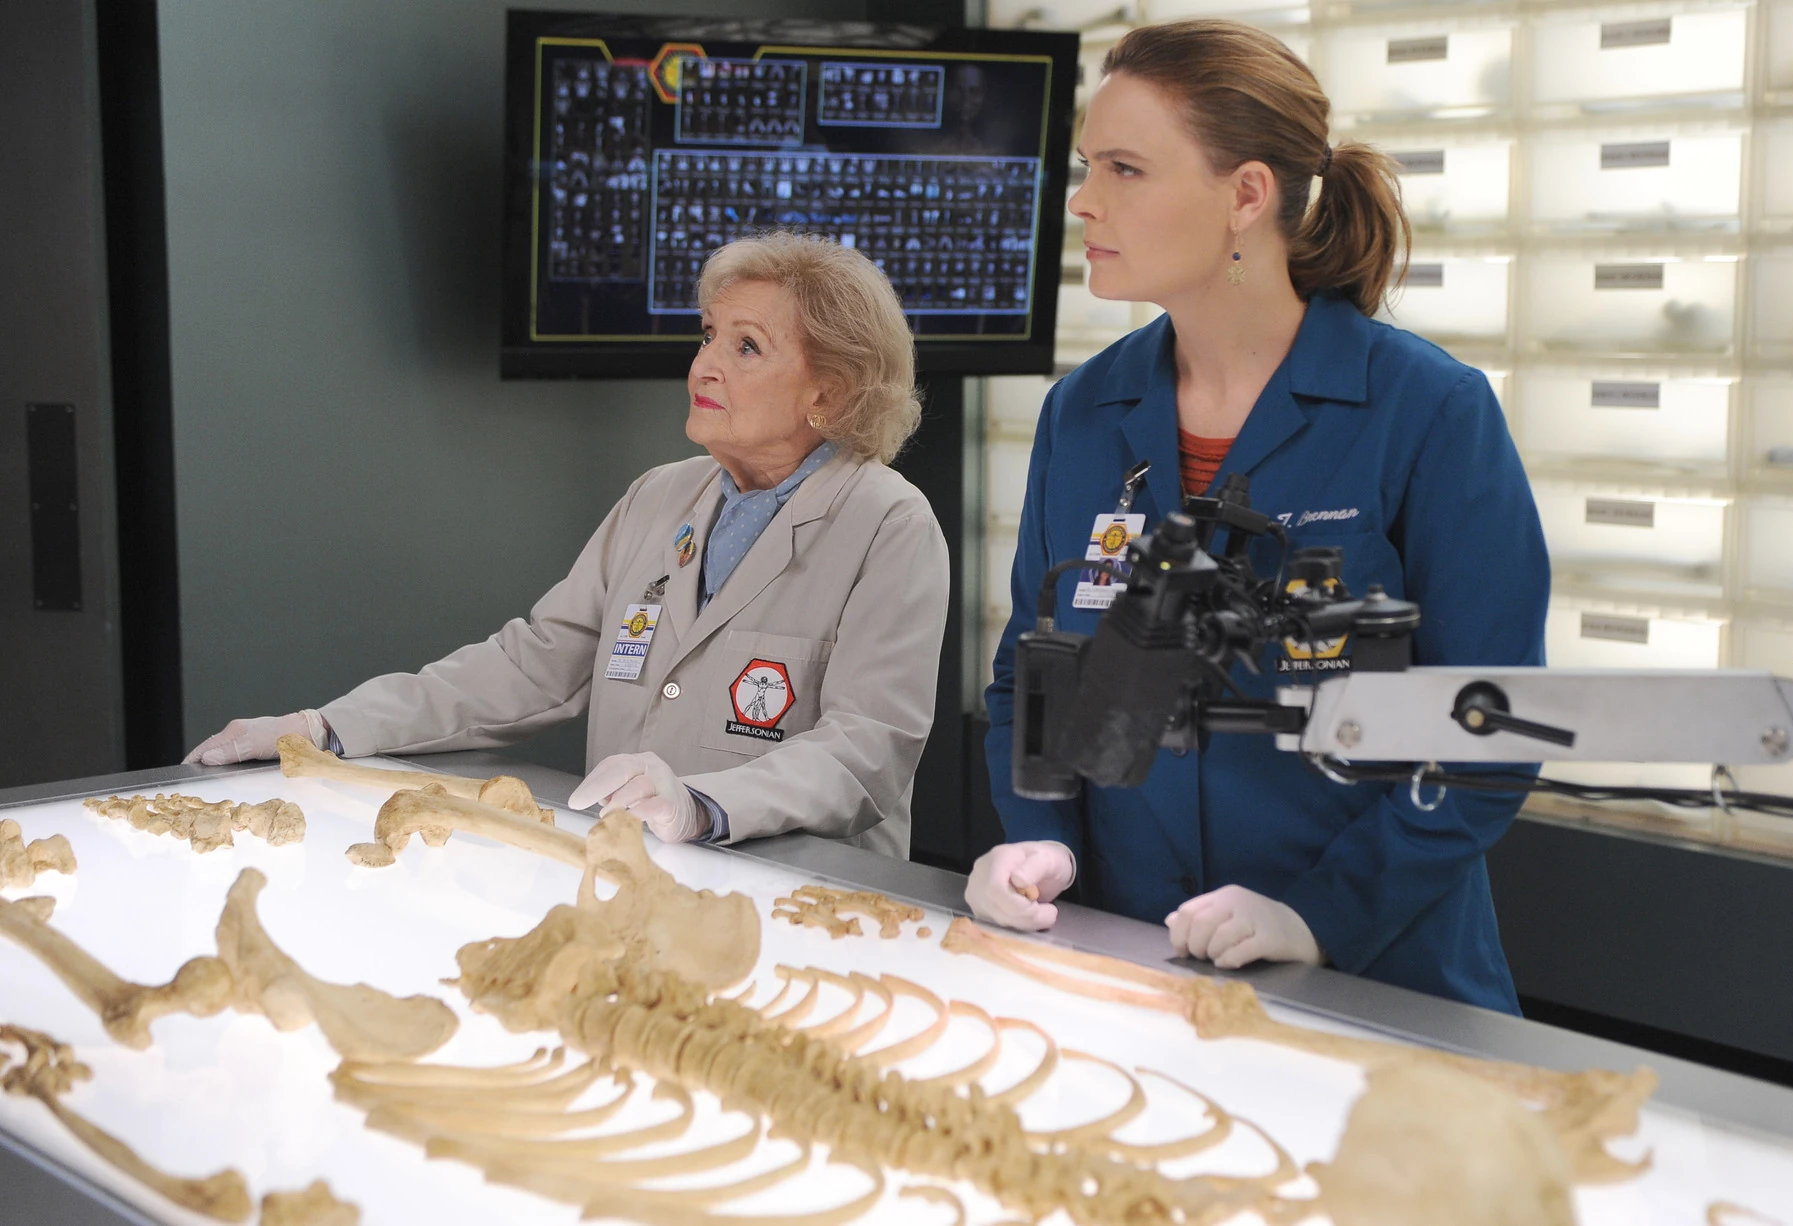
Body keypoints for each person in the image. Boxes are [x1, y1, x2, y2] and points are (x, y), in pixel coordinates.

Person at [969, 20, 1548, 1012]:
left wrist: (1321, 914)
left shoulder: (1428, 411)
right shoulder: (1084, 412)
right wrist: (1041, 841)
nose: (1085, 200)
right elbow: (1034, 675)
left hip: (1380, 982)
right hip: (1130, 968)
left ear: (1246, 194)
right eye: (1086, 167)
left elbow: (1492, 722)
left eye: (1125, 169)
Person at [186, 233, 950, 858]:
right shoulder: (659, 496)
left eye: (746, 347)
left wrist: (702, 803)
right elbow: (532, 666)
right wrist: (324, 728)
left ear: (829, 391)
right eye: (708, 334)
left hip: (802, 904)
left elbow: (866, 750)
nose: (704, 364)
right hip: (632, 876)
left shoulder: (889, 523)